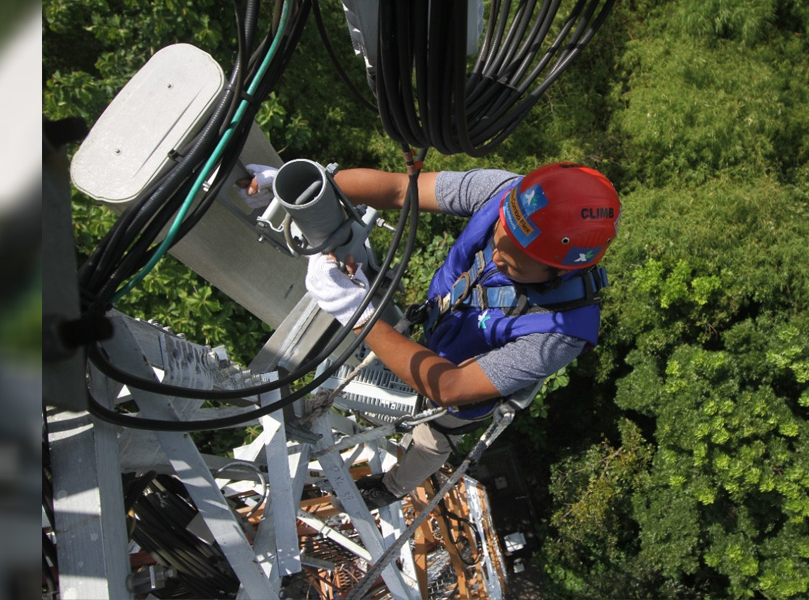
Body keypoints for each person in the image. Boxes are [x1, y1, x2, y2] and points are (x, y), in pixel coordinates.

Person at [245, 162, 621, 509]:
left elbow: (452, 387)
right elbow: (398, 189)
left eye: (510, 263)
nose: (496, 253)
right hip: (439, 330)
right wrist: (312, 192)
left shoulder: (562, 331)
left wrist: (354, 313)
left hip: (459, 386)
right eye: (497, 235)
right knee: (411, 382)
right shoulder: (505, 193)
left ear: (558, 271)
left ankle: (392, 487)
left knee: (433, 438)